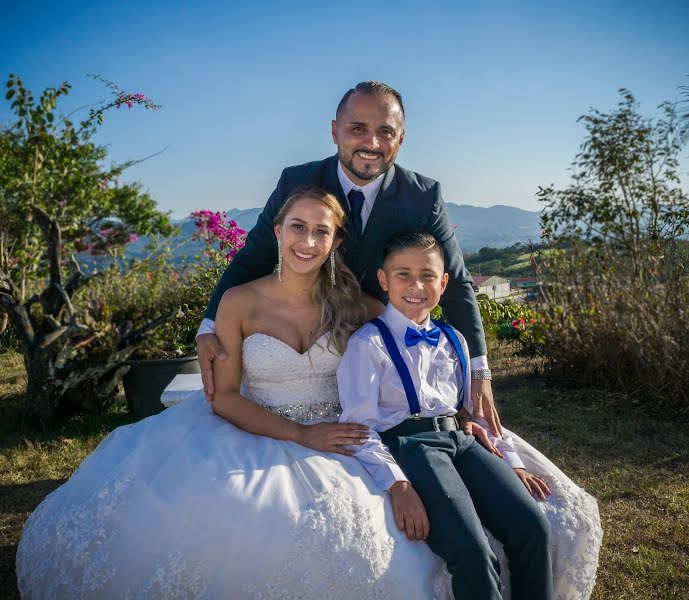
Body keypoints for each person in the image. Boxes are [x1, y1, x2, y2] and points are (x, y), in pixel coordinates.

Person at [16, 187, 458, 599]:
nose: (307, 241)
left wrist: (464, 398)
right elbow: (224, 397)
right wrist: (301, 435)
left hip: (343, 433)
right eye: (297, 227)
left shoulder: (360, 307)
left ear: (335, 241)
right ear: (277, 231)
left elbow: (412, 360)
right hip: (255, 425)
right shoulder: (238, 302)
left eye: (321, 231)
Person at [197, 80, 503, 436]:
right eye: (358, 128)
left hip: (385, 364)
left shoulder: (423, 196)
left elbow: (455, 283)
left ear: (401, 139)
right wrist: (209, 327)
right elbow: (253, 257)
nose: (371, 143)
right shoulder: (297, 182)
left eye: (385, 131)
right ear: (334, 131)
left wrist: (478, 372)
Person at [338, 232, 603, 600]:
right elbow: (360, 429)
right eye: (403, 275)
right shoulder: (368, 344)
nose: (416, 286)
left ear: (443, 283)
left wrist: (512, 462)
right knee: (474, 554)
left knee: (533, 528)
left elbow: (475, 414)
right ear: (383, 280)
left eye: (428, 276)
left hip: (462, 442)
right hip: (413, 448)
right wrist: (397, 485)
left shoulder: (454, 340)